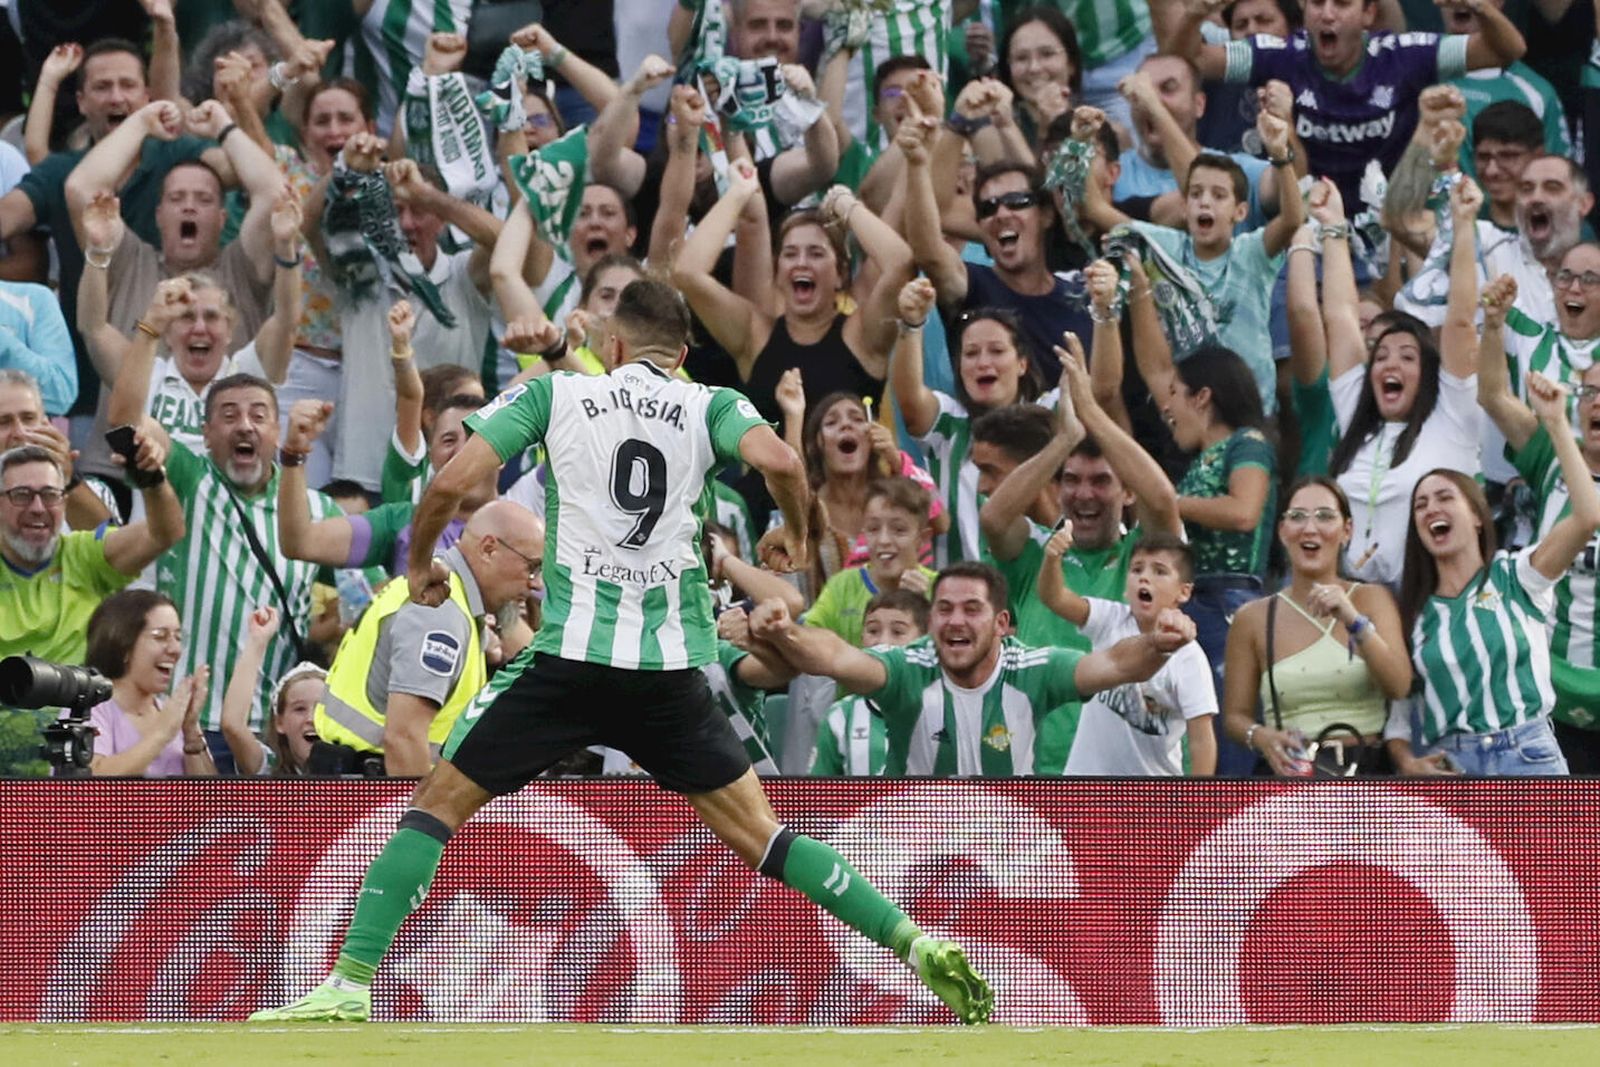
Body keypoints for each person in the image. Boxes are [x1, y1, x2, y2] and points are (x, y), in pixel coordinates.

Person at [251, 278, 994, 1026]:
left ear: (611, 344)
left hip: (567, 663)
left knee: (435, 810)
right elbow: (786, 464)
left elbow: (449, 481)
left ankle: (349, 979)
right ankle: (912, 939)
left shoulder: (562, 396)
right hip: (667, 673)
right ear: (684, 352)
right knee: (765, 836)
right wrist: (796, 536)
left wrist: (417, 564)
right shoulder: (711, 404)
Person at [748, 560, 1200, 776]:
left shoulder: (1033, 670)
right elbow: (834, 655)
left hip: (1005, 841)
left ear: (1002, 623)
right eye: (943, 609)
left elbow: (1119, 661)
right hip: (910, 840)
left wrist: (1159, 644)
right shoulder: (908, 666)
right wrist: (786, 633)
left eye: (971, 609)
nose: (956, 621)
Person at [1391, 374, 1600, 776]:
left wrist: (1556, 423)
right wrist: (1405, 759)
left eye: (1444, 497)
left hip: (1528, 758)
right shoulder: (1411, 609)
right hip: (1451, 767)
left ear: (1476, 517)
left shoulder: (1516, 575)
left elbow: (1588, 517)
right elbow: (1398, 709)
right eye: (1420, 505)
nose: (1431, 508)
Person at [1176, 0, 1527, 206]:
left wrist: (1478, 5)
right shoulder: (1279, 56)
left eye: (1342, 3)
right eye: (1317, 3)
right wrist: (1193, 15)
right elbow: (1192, 57)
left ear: (1368, 14)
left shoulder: (1404, 54)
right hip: (1310, 215)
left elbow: (1507, 49)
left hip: (1394, 218)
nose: (1327, 14)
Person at [1081, 103, 1303, 411]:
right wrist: (1082, 144)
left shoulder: (1251, 252)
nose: (1204, 203)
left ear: (1240, 212)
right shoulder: (1165, 247)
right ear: (1184, 208)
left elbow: (1292, 219)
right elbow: (1095, 207)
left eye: (1219, 195)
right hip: (1192, 417)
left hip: (1254, 414)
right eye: (1196, 194)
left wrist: (1280, 154)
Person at [1321, 177, 1483, 586]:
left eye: (1408, 357)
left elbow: (1461, 320)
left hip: (1423, 603)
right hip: (1347, 604)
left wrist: (1464, 226)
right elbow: (1341, 316)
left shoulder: (1451, 416)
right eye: (1381, 356)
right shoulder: (1358, 413)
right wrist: (1333, 225)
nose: (1389, 364)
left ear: (1428, 373)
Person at [310, 500, 545, 777]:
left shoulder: (443, 591)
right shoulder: (441, 611)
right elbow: (405, 739)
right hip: (377, 797)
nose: (536, 583)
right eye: (531, 566)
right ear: (489, 549)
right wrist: (424, 819)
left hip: (356, 788)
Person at [672, 160, 910, 428]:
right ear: (777, 272)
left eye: (816, 253)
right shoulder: (755, 335)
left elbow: (901, 265)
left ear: (841, 273)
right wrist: (738, 193)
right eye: (790, 253)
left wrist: (846, 206)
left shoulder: (862, 336)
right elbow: (687, 272)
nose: (801, 262)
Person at [0, 436, 183, 777]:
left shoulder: (84, 556)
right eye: (21, 495)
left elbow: (165, 534)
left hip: (79, 774)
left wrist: (151, 480)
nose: (38, 507)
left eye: (51, 495)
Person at [1478, 275, 1600, 771]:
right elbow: (1493, 396)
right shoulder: (1553, 455)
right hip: (1547, 684)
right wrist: (1492, 324)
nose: (1597, 401)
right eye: (1589, 390)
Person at [1221, 478, 1414, 775]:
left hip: (1366, 774)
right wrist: (1262, 737)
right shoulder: (1253, 617)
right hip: (1292, 776)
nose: (1310, 528)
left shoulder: (1372, 599)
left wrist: (1353, 619)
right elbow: (1235, 716)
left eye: (1324, 516)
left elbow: (1399, 685)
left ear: (1346, 531)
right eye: (1297, 517)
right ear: (1283, 531)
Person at [1038, 529, 1219, 777]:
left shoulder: (1190, 658)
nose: (1144, 578)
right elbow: (1054, 598)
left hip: (1151, 800)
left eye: (1159, 571)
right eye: (1137, 569)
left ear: (1184, 592)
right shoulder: (1108, 619)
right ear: (1126, 586)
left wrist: (1197, 804)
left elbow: (1201, 739)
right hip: (1084, 789)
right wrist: (1052, 558)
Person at [890, 277, 1044, 564]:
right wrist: (911, 325)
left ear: (1022, 363)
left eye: (997, 351)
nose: (983, 362)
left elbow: (1105, 388)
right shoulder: (950, 424)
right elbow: (910, 400)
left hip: (1030, 598)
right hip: (959, 600)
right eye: (971, 354)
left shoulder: (1046, 421)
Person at [78, 589, 216, 778]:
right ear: (123, 644)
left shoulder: (171, 711)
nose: (176, 650)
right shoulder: (90, 709)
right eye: (160, 636)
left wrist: (190, 731)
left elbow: (212, 801)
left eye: (178, 637)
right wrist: (162, 733)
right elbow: (85, 786)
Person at [805, 477, 936, 650]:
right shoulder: (842, 586)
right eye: (874, 529)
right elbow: (809, 639)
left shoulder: (940, 589)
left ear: (922, 538)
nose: (883, 540)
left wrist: (924, 606)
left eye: (899, 530)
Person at [808, 589, 928, 777]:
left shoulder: (946, 710)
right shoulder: (839, 717)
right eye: (873, 631)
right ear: (862, 638)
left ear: (924, 641)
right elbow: (816, 798)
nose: (883, 641)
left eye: (898, 632)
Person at [0, 369, 112, 531]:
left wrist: (68, 481)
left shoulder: (94, 490)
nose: (20, 432)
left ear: (47, 424)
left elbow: (106, 541)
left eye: (28, 419)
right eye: (3, 422)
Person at [220, 605, 326, 776]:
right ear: (280, 723)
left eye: (321, 708)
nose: (311, 719)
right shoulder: (268, 766)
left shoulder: (353, 766)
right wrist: (257, 641)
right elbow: (233, 724)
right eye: (299, 709)